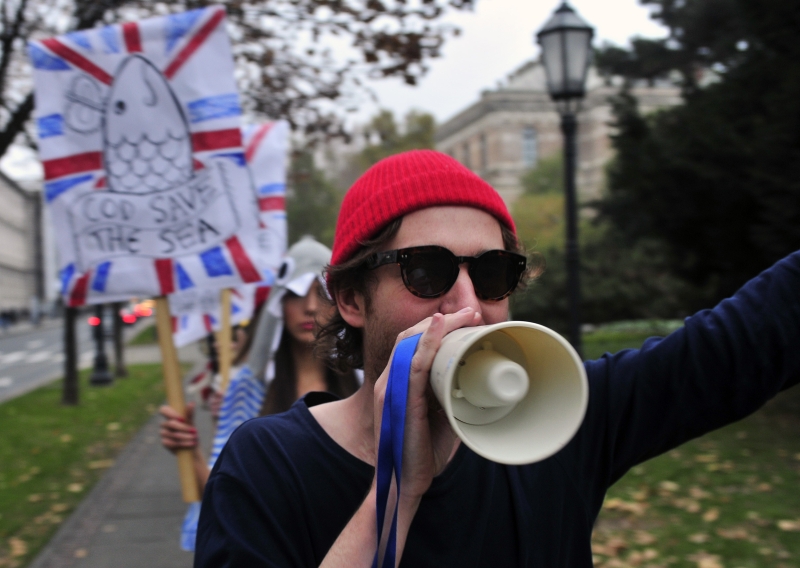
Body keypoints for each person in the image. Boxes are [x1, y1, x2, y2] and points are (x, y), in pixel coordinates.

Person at [195, 150, 800, 567]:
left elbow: (744, 340)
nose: (468, 305)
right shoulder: (266, 464)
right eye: (426, 271)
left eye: (492, 273)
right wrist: (397, 491)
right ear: (351, 298)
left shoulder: (564, 420)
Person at [160, 236, 360, 552]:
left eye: (321, 293)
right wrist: (192, 451)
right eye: (295, 293)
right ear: (279, 303)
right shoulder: (246, 390)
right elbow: (222, 494)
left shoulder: (366, 385)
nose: (309, 307)